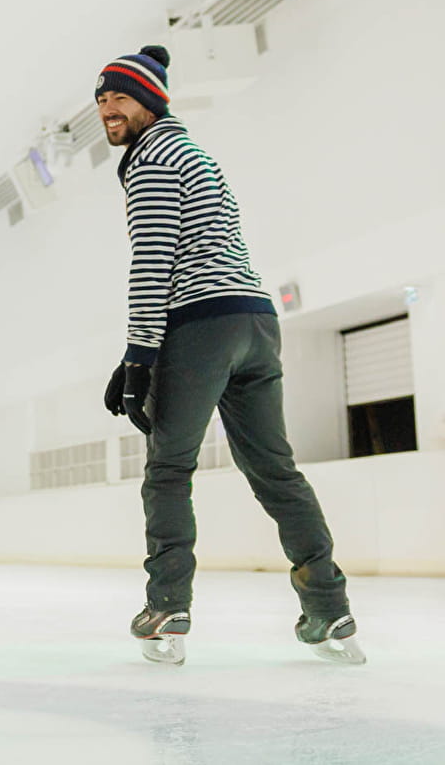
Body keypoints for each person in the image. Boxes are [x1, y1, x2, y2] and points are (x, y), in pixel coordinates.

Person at [96, 45, 362, 666]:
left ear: (151, 102)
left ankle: (168, 605)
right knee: (275, 470)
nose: (109, 109)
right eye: (102, 100)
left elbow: (155, 258)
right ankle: (328, 607)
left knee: (169, 467)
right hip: (255, 320)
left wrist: (139, 354)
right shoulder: (198, 155)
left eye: (121, 98)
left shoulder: (153, 157)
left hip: (200, 324)